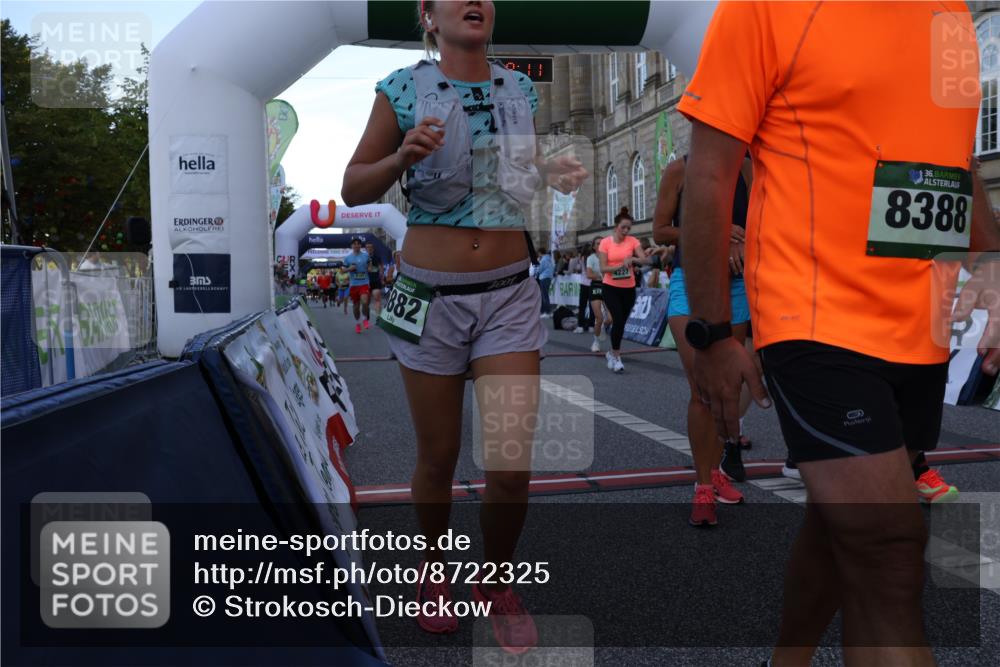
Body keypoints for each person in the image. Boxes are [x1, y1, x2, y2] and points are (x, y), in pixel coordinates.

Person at [675, 3, 999, 665]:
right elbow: (710, 173)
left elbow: (954, 162)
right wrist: (711, 335)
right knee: (889, 551)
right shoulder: (764, 7)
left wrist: (994, 272)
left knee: (838, 529)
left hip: (923, 327)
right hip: (815, 318)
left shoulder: (950, 14)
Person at [341, 0, 587, 652]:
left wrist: (549, 172)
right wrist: (399, 159)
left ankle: (498, 580)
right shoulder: (400, 90)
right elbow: (353, 186)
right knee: (439, 456)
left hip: (507, 291)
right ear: (429, 14)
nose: (474, 0)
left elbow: (514, 182)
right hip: (430, 295)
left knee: (510, 466)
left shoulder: (517, 88)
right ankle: (432, 567)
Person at [653, 154, 751, 525]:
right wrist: (715, 230)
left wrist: (745, 241)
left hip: (737, 285)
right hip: (689, 280)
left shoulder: (747, 165)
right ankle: (703, 487)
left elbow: (765, 217)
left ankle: (715, 472)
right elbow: (661, 231)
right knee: (700, 386)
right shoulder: (680, 169)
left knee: (725, 387)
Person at [597, 207, 652, 373]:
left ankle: (611, 353)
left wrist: (633, 259)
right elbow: (603, 268)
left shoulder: (633, 241)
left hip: (629, 288)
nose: (626, 231)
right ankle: (616, 356)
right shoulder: (605, 242)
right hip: (610, 287)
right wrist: (621, 265)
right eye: (623, 227)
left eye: (629, 228)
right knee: (618, 320)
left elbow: (646, 260)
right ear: (616, 227)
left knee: (621, 322)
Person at [586, 237, 610, 353]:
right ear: (594, 246)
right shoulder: (591, 258)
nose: (600, 245)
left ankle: (601, 328)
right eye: (597, 243)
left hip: (607, 287)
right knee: (599, 317)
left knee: (610, 319)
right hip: (595, 286)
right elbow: (589, 274)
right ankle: (595, 342)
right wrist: (600, 275)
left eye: (602, 243)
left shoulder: (608, 258)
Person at [343, 237, 372, 333]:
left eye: (358, 244)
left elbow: (369, 265)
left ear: (360, 245)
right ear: (352, 246)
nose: (356, 245)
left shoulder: (365, 256)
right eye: (354, 244)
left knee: (364, 302)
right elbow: (342, 270)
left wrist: (369, 268)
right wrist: (349, 269)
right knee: (356, 306)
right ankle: (357, 323)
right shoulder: (348, 258)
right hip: (354, 284)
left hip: (364, 282)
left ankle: (364, 319)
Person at [572, 244, 592, 334]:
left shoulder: (582, 258)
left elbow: (578, 268)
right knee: (592, 306)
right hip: (592, 283)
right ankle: (591, 325)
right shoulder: (593, 258)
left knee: (582, 306)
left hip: (584, 283)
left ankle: (580, 326)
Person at [366, 241, 385, 318]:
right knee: (366, 301)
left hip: (376, 280)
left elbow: (381, 268)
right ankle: (366, 314)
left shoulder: (377, 257)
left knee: (377, 299)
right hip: (366, 281)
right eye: (367, 247)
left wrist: (381, 277)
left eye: (371, 247)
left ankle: (378, 317)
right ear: (366, 248)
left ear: (373, 248)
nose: (369, 249)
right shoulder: (363, 257)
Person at [536, 248, 554, 317]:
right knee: (544, 295)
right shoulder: (549, 258)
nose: (538, 254)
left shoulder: (543, 259)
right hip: (548, 277)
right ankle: (544, 311)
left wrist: (536, 273)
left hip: (544, 277)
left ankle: (547, 311)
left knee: (544, 295)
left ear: (540, 253)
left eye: (538, 253)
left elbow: (540, 269)